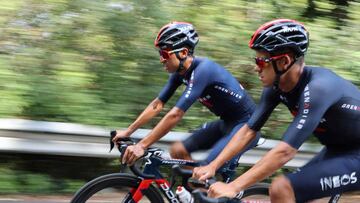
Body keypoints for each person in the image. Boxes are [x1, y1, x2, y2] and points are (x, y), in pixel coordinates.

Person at [193, 19, 360, 202]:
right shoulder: (275, 88)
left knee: (282, 187)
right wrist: (214, 165)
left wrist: (233, 186)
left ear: (284, 61)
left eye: (261, 60)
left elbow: (285, 152)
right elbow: (248, 131)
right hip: (337, 150)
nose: (256, 67)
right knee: (297, 192)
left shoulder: (318, 88)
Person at [112, 21, 260, 180]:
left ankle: (206, 192)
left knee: (203, 171)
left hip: (246, 127)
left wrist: (142, 145)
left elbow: (175, 114)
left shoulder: (204, 70)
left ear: (183, 53)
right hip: (227, 123)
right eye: (160, 54)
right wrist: (128, 131)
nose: (161, 60)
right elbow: (157, 105)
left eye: (164, 54)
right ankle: (197, 192)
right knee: (178, 150)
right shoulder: (179, 73)